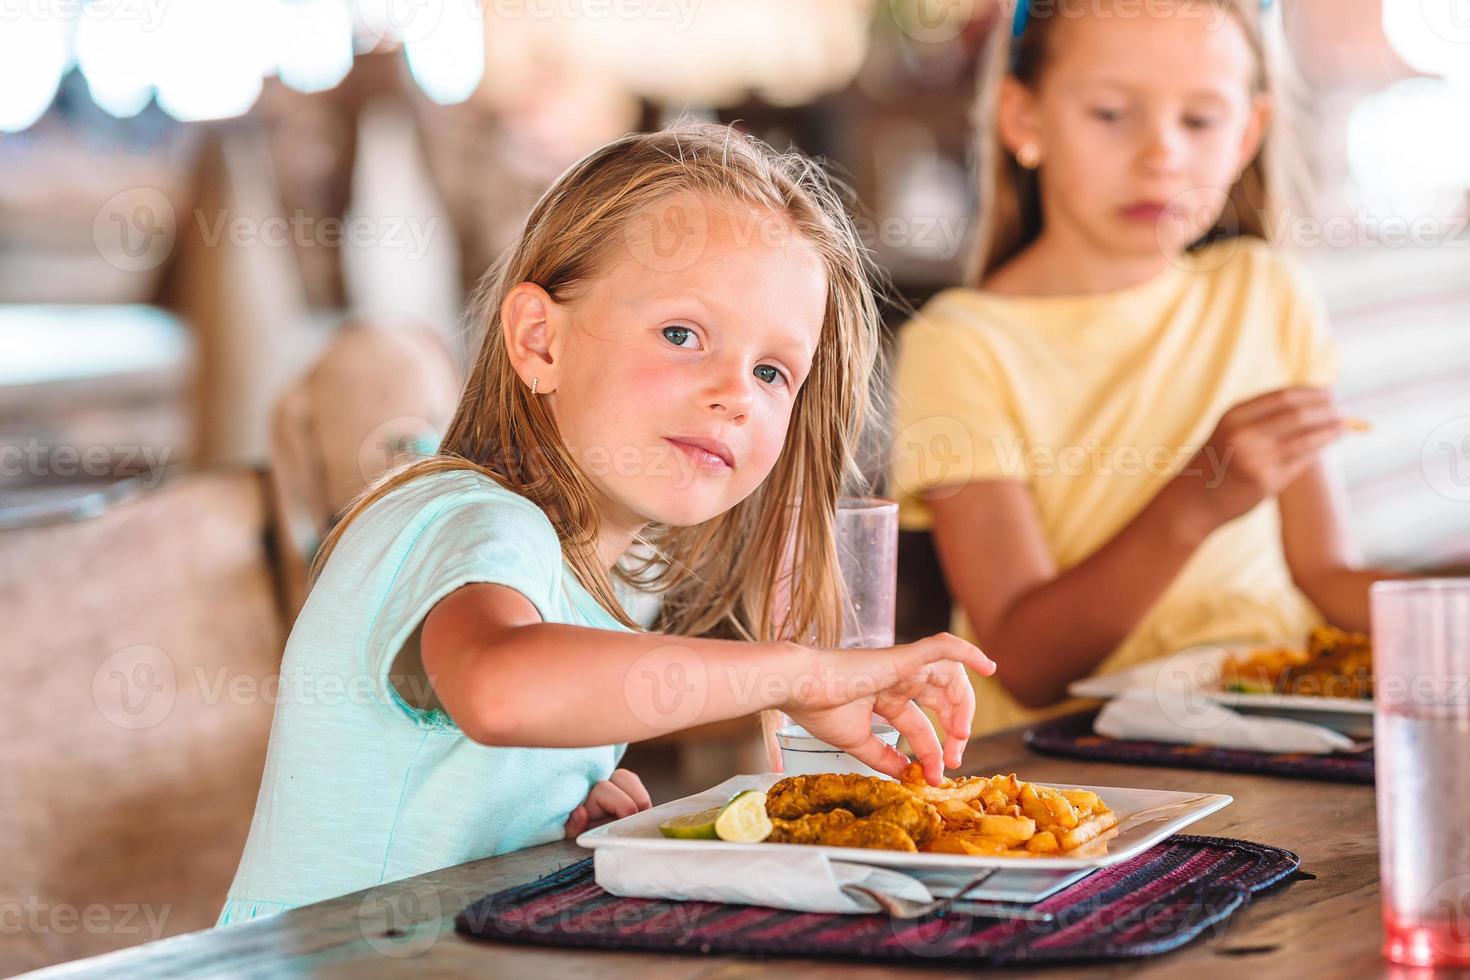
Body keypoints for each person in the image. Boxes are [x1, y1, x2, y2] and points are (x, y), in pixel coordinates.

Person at [217, 123, 994, 924]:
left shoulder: (608, 577)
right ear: (538, 341)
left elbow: (476, 752)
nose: (735, 392)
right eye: (683, 335)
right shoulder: (470, 517)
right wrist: (797, 673)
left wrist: (548, 811)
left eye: (771, 371)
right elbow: (498, 686)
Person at [890, 0, 1399, 736]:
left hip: (1276, 729)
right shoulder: (960, 345)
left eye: (1199, 121)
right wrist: (1194, 502)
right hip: (1080, 769)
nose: (1161, 154)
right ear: (1024, 120)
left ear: (1247, 135)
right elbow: (1022, 664)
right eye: (1110, 113)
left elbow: (1323, 575)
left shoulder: (1266, 290)